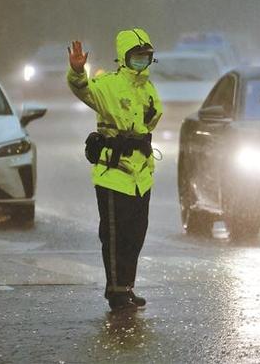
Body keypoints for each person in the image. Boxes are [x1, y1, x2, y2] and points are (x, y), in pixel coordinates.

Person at [67, 28, 162, 312]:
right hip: (114, 173)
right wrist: (76, 70)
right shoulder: (107, 85)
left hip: (141, 175)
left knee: (136, 234)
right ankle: (116, 292)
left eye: (146, 58)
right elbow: (83, 89)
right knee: (114, 236)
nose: (141, 63)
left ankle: (127, 287)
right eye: (136, 57)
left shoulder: (148, 89)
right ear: (123, 58)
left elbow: (153, 117)